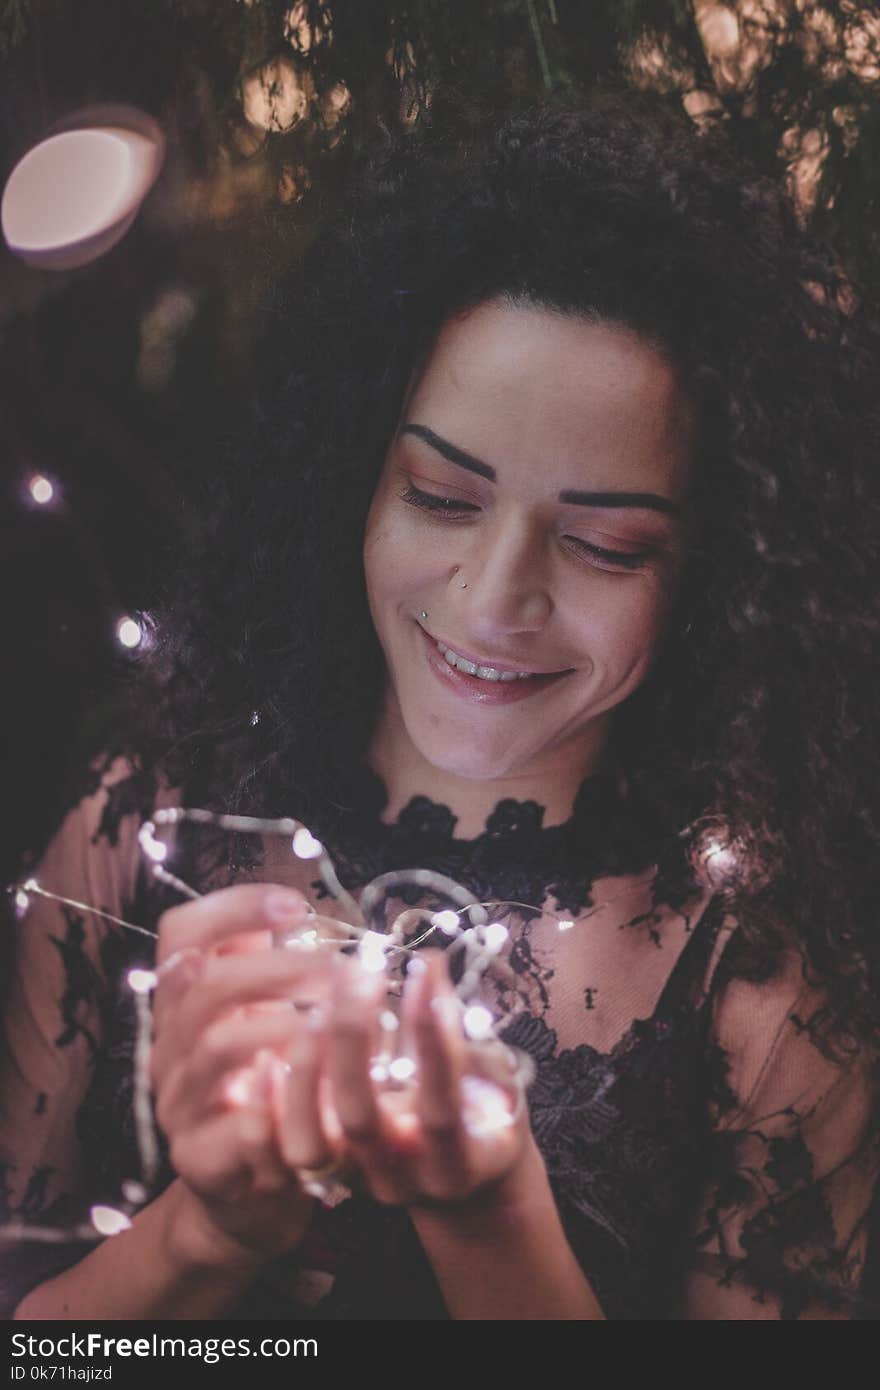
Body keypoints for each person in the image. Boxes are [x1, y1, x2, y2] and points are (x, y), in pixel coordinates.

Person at [2, 95, 879, 1322]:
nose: (494, 597)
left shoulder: (769, 985)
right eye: (441, 496)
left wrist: (492, 1226)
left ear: (712, 580)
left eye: (607, 544)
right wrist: (200, 1240)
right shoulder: (137, 818)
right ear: (357, 477)